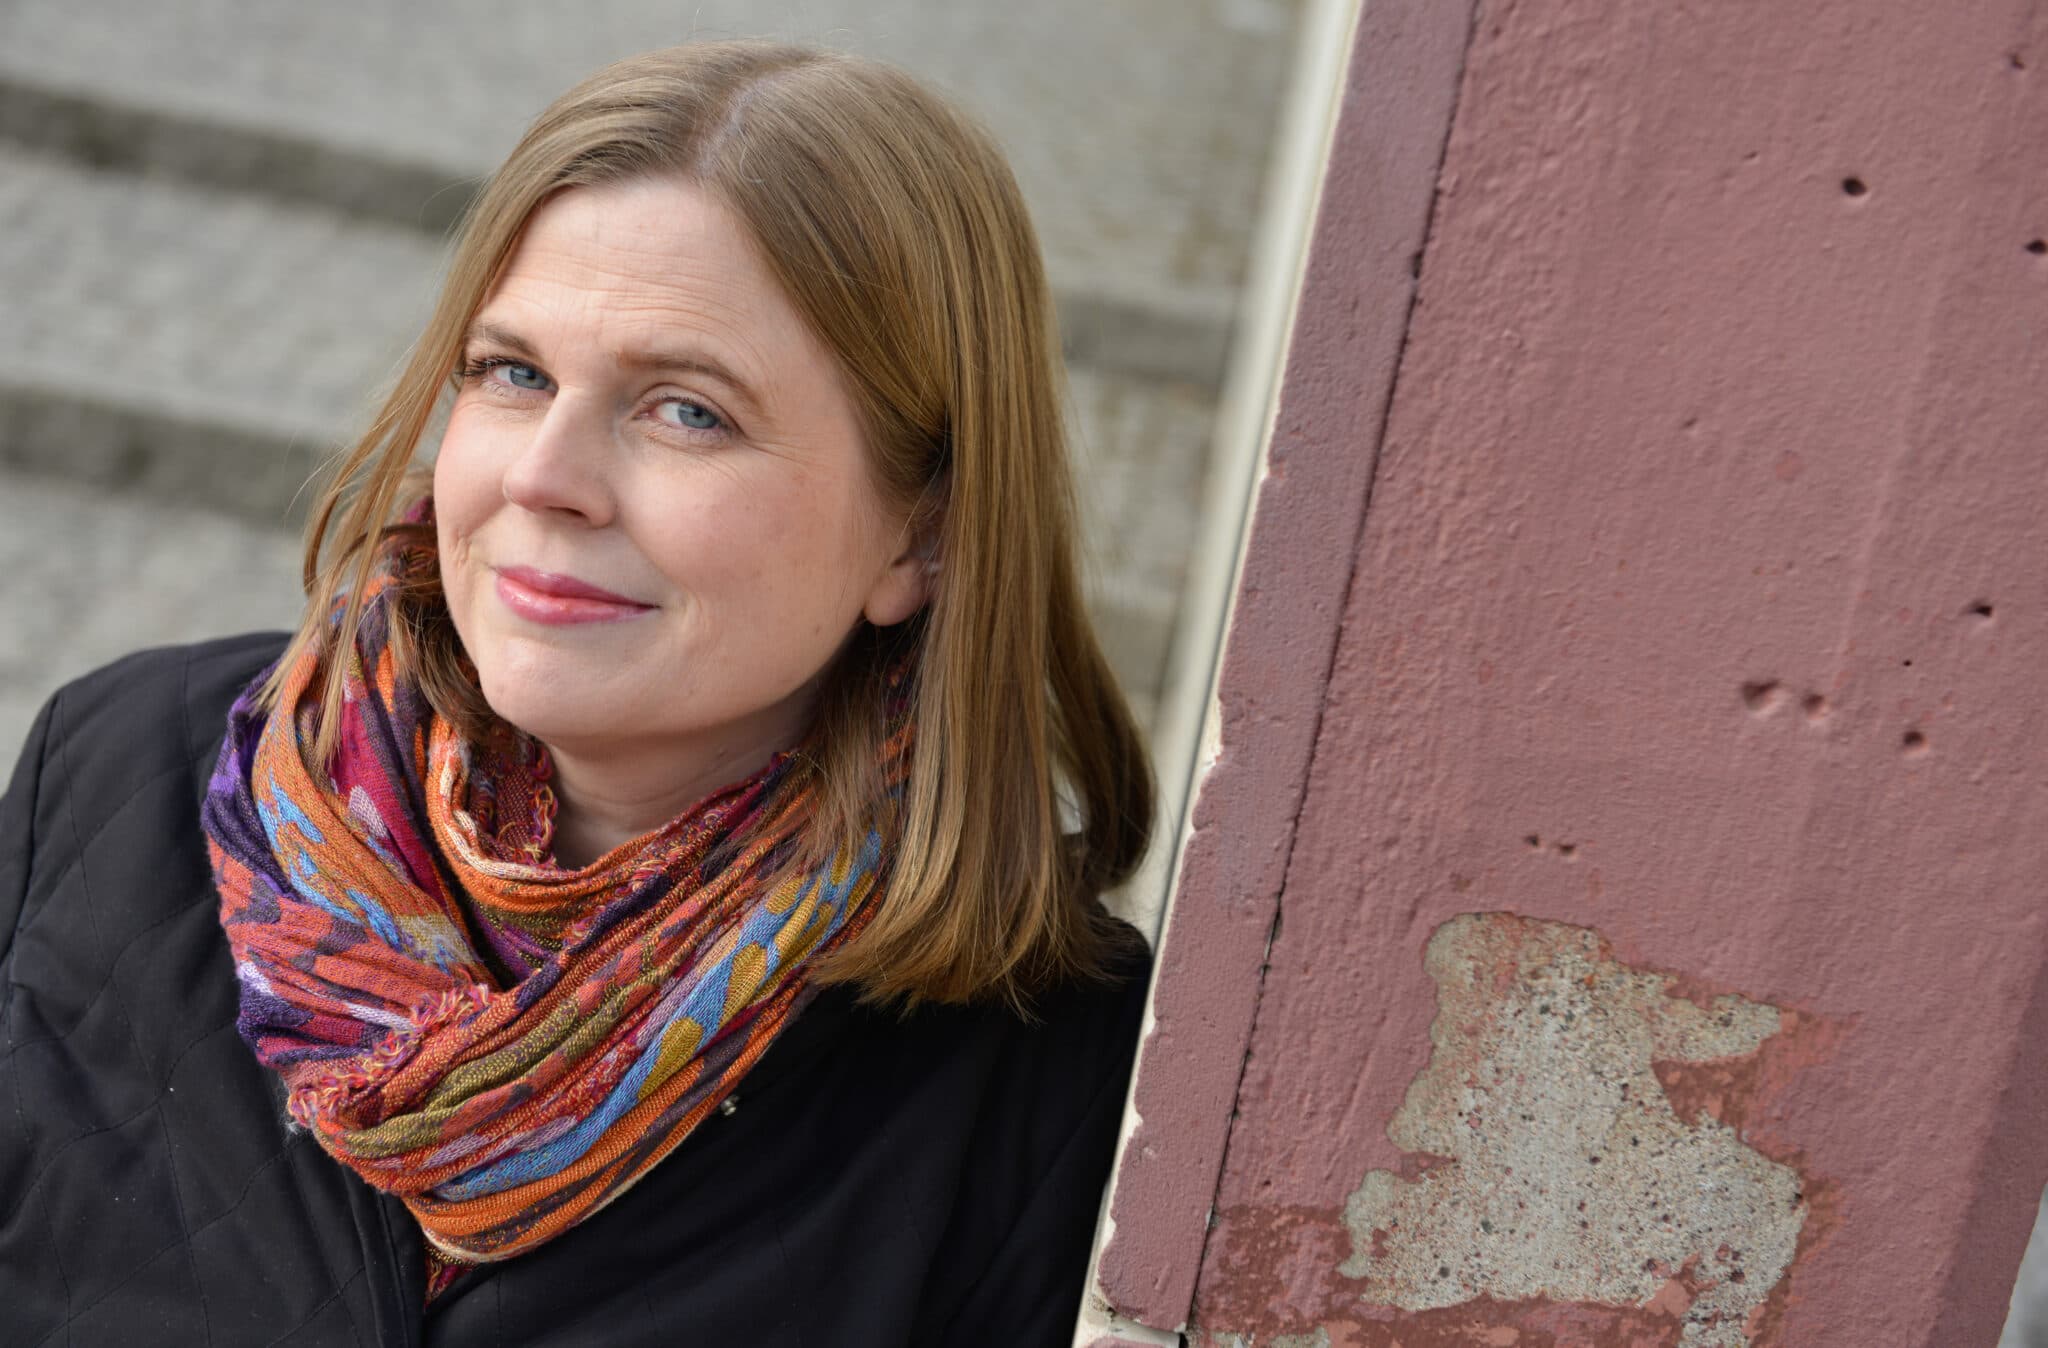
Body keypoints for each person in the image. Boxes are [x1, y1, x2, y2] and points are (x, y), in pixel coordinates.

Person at [0, 40, 1156, 1345]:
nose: (545, 476)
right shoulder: (113, 770)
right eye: (513, 373)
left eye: (688, 412)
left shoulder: (1056, 1090)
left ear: (922, 537)